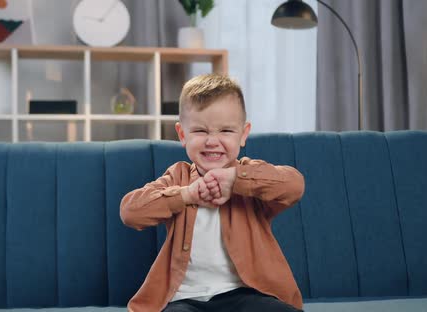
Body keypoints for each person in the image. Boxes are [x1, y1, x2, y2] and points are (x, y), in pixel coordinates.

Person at [120, 74, 305, 312]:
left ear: (243, 134)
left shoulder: (250, 175)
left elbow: (294, 185)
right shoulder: (178, 177)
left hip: (246, 296)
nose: (212, 141)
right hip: (185, 300)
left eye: (226, 130)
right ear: (182, 135)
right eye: (200, 131)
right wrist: (187, 195)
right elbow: (130, 211)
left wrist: (237, 180)